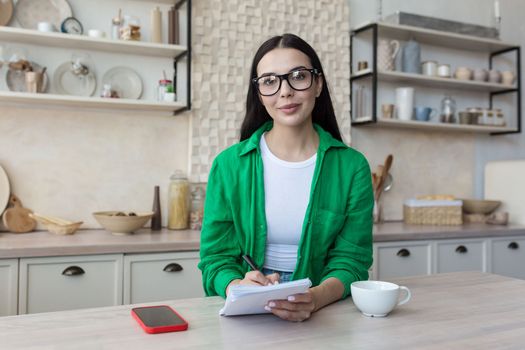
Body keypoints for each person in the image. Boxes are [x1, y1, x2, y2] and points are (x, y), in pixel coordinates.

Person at [198, 33, 373, 322]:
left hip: (321, 310)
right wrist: (236, 286)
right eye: (269, 81)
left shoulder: (352, 167)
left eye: (298, 76)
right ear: (259, 93)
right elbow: (215, 258)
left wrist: (314, 298)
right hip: (245, 311)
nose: (285, 91)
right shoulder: (228, 165)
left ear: (317, 84)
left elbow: (352, 261)